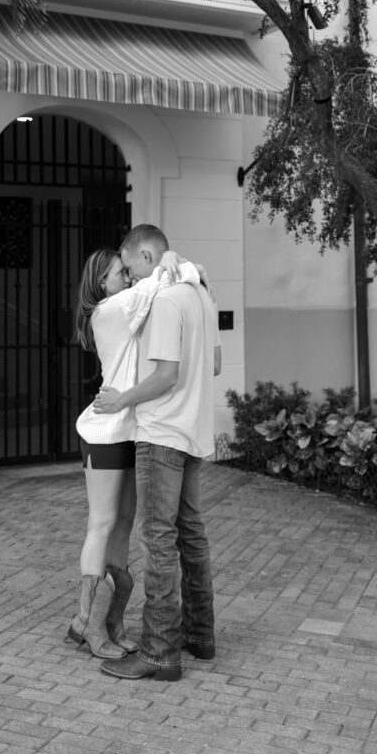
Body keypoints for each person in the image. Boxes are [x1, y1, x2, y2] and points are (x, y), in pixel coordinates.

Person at [93, 223, 221, 682]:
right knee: (191, 533)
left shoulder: (166, 301)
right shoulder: (201, 295)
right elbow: (216, 364)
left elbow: (165, 376)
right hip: (193, 432)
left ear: (148, 256)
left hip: (163, 433)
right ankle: (200, 636)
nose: (129, 277)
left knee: (159, 542)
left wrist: (121, 400)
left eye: (129, 267)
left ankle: (160, 652)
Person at [67, 246, 201, 660]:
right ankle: (88, 625)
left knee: (124, 524)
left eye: (126, 272)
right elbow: (159, 283)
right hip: (105, 431)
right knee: (102, 523)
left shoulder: (129, 308)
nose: (125, 278)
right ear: (100, 284)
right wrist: (169, 260)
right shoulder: (108, 310)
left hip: (128, 426)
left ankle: (111, 623)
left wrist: (175, 263)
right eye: (117, 273)